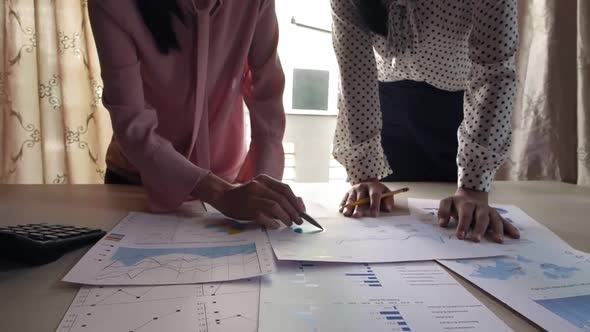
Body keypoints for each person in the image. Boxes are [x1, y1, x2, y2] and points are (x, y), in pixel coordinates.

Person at [88, 0, 305, 228]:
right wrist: (219, 193)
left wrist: (265, 185)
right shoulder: (113, 5)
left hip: (229, 184)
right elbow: (132, 123)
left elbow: (267, 99)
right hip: (138, 182)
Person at [331, 0, 521, 243]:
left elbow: (494, 70)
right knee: (387, 230)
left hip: (460, 110)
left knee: (461, 230)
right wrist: (365, 175)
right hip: (384, 106)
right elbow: (354, 71)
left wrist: (474, 186)